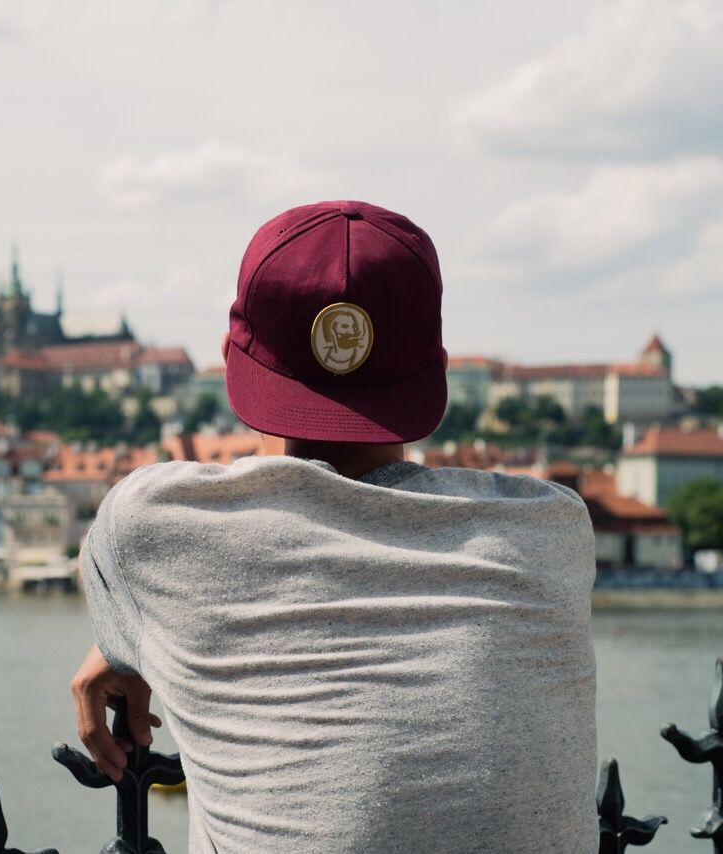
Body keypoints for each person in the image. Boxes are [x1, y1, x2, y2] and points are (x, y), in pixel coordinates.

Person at [71, 200, 598, 853]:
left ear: (233, 362)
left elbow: (119, 602)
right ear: (437, 367)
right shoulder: (552, 528)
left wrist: (122, 644)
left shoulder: (154, 526)